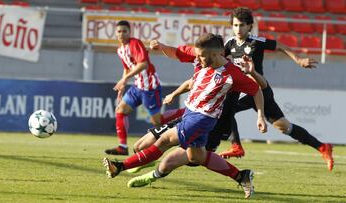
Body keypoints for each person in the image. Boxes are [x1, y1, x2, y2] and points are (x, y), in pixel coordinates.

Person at [103, 33, 267, 198]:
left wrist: (260, 115)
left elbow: (257, 89)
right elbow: (188, 74)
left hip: (202, 118)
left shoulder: (232, 73)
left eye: (202, 56)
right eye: (197, 55)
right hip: (190, 112)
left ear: (216, 54)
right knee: (197, 156)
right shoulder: (202, 60)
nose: (198, 59)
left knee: (164, 141)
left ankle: (119, 166)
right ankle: (242, 176)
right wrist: (162, 48)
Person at [211, 7, 333, 172]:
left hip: (259, 88)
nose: (238, 29)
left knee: (231, 110)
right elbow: (218, 58)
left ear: (249, 26)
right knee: (280, 124)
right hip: (245, 90)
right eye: (235, 25)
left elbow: (280, 46)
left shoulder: (256, 41)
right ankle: (322, 147)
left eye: (241, 25)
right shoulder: (230, 44)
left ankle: (236, 146)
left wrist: (298, 60)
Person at [105, 20, 184, 155]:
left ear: (130, 32)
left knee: (157, 122)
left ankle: (184, 112)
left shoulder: (134, 43)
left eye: (125, 31)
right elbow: (127, 68)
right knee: (120, 110)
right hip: (137, 86)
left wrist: (125, 79)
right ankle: (122, 147)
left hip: (150, 87)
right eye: (119, 31)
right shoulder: (120, 50)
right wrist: (122, 84)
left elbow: (143, 65)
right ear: (116, 34)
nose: (122, 34)